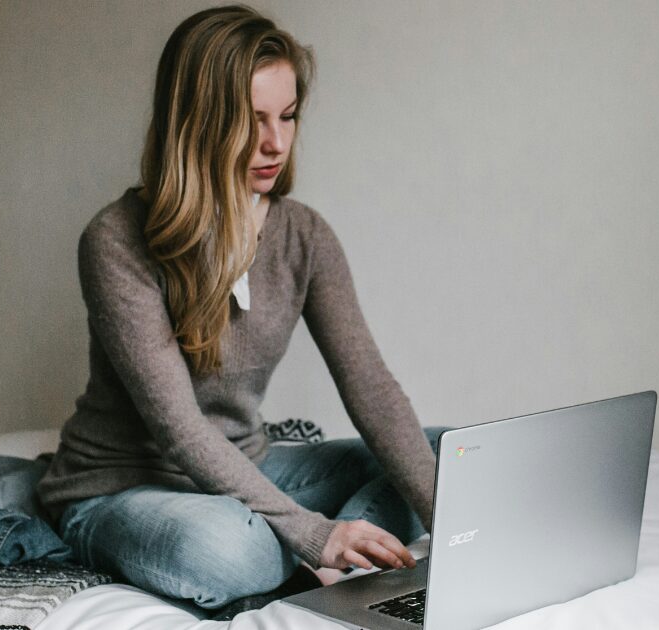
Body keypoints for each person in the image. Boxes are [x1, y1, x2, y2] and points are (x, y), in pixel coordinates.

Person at [35, 4, 444, 611]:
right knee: (227, 552)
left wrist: (455, 519)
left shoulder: (303, 235)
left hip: (251, 469)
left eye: (288, 116)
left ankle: (354, 562)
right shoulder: (116, 240)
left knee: (449, 453)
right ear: (197, 121)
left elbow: (372, 389)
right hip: (122, 488)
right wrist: (312, 532)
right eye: (251, 121)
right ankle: (323, 548)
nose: (276, 142)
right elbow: (179, 429)